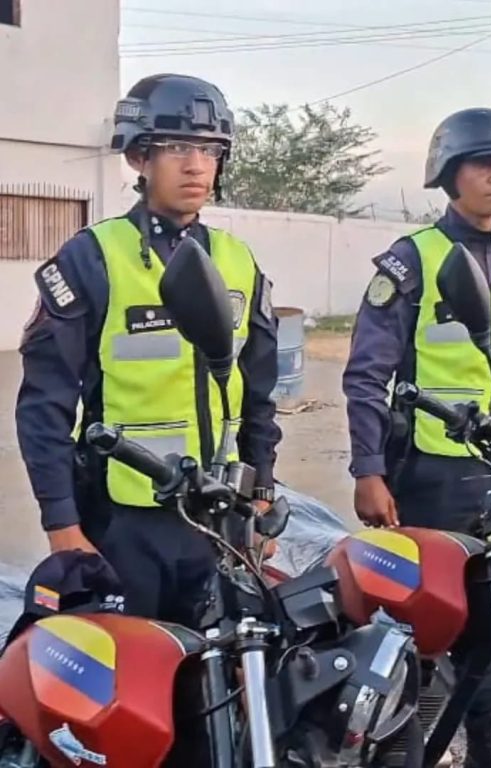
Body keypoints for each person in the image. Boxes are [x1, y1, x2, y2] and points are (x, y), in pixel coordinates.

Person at [15, 74, 281, 628]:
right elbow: (45, 405)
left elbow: (258, 392)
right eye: (178, 148)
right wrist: (61, 523)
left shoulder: (239, 262)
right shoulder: (91, 258)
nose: (196, 166)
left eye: (210, 151)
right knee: (129, 683)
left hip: (219, 517)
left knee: (221, 685)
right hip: (125, 524)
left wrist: (262, 496)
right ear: (140, 157)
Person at [342, 107, 491, 766]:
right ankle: (407, 752)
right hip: (430, 478)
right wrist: (367, 469)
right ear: (449, 174)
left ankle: (484, 749)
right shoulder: (413, 260)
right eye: (484, 165)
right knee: (423, 635)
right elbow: (365, 375)